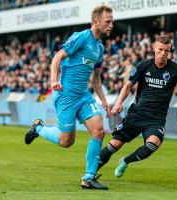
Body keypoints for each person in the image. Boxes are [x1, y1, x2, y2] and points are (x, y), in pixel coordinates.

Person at [24, 5, 113, 190]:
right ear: (96, 21)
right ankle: (38, 128)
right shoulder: (81, 37)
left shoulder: (99, 47)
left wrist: (104, 100)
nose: (111, 25)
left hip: (84, 96)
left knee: (99, 130)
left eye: (112, 21)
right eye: (108, 21)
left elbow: (95, 78)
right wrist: (54, 81)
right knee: (67, 141)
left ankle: (88, 178)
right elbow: (57, 57)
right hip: (66, 95)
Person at [97, 35, 177, 178]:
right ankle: (90, 172)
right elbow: (128, 85)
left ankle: (125, 161)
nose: (163, 53)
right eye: (160, 49)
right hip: (137, 114)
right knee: (115, 144)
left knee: (154, 143)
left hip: (156, 118)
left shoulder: (176, 70)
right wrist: (119, 103)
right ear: (154, 48)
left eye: (166, 51)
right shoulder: (143, 66)